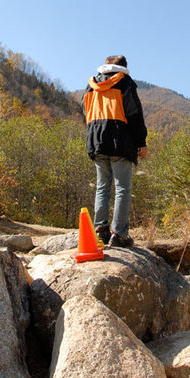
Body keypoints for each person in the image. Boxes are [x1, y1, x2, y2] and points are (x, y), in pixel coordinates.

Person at [82, 55, 147, 247]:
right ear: (123, 67)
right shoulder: (125, 83)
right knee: (122, 188)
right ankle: (119, 234)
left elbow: (86, 114)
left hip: (96, 140)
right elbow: (134, 115)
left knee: (102, 186)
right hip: (120, 140)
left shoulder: (90, 86)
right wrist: (141, 142)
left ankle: (100, 229)